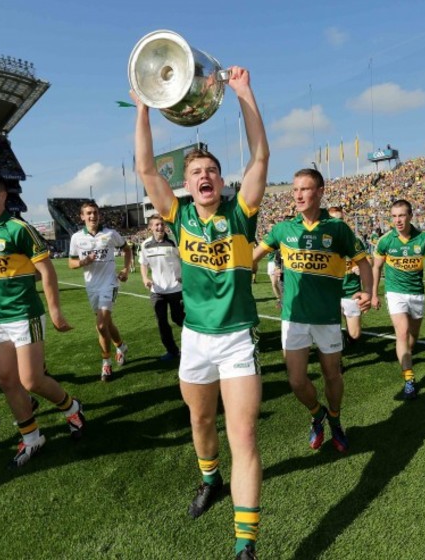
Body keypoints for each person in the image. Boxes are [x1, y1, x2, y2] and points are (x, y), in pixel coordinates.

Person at [133, 65, 269, 560]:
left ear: (220, 179)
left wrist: (244, 93)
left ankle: (245, 544)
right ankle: (210, 478)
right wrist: (145, 107)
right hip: (194, 338)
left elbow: (260, 155)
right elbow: (147, 169)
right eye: (195, 173)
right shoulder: (179, 215)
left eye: (210, 170)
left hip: (236, 339)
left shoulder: (241, 213)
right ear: (186, 185)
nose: (204, 176)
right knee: (200, 421)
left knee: (245, 434)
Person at [0, 174, 85, 468]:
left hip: (25, 314)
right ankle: (31, 437)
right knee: (8, 381)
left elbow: (48, 272)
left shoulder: (19, 229)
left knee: (32, 380)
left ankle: (72, 407)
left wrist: (54, 312)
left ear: (2, 196)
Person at [254, 172, 371, 455]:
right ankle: (317, 413)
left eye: (305, 189)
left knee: (333, 375)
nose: (298, 195)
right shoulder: (283, 229)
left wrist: (369, 291)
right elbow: (253, 257)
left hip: (327, 318)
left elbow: (363, 263)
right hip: (293, 317)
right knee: (295, 380)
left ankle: (335, 418)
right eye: (295, 189)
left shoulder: (337, 229)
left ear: (320, 191)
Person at [371, 199, 425, 400]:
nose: (397, 220)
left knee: (412, 338)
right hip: (395, 292)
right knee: (401, 334)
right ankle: (409, 380)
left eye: (401, 215)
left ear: (410, 216)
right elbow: (376, 267)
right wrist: (374, 294)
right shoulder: (385, 240)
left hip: (416, 292)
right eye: (393, 216)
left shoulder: (422, 238)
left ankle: (406, 356)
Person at [68, 201, 131, 381]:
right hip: (91, 287)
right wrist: (83, 262)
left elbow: (127, 250)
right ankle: (121, 346)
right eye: (88, 213)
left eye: (95, 212)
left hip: (109, 284)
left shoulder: (110, 234)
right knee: (107, 324)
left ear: (99, 215)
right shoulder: (76, 238)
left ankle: (106, 364)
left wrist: (126, 269)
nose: (92, 216)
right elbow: (71, 263)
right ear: (82, 216)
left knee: (101, 325)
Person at [139, 214, 185, 361]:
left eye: (161, 224)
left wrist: (184, 275)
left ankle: (193, 345)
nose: (159, 227)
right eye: (156, 225)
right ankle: (172, 351)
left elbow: (185, 258)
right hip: (157, 290)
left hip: (175, 288)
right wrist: (145, 278)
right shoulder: (145, 244)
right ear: (150, 227)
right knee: (162, 322)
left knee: (178, 319)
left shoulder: (174, 241)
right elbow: (143, 263)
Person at [328, 205, 371, 347]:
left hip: (351, 291)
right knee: (331, 330)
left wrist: (358, 267)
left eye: (340, 220)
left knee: (355, 334)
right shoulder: (322, 242)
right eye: (333, 220)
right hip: (330, 293)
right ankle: (336, 356)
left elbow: (367, 261)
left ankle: (345, 339)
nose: (337, 224)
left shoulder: (354, 240)